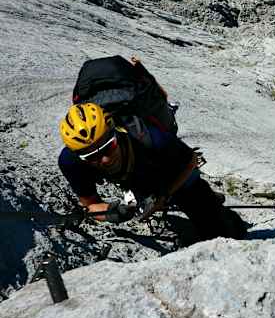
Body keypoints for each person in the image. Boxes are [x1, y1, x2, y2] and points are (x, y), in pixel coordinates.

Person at [57, 103, 246, 242]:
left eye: (108, 146)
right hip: (137, 175)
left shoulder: (153, 140)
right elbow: (91, 205)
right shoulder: (71, 162)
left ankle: (219, 210)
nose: (104, 159)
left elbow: (190, 160)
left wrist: (164, 196)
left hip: (170, 169)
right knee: (147, 188)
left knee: (217, 227)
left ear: (115, 132)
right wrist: (111, 213)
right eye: (92, 156)